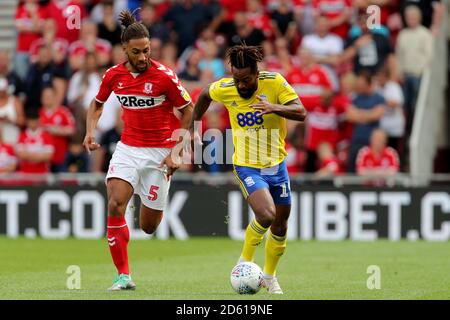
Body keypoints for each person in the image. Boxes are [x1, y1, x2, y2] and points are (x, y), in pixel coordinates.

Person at [83, 10, 193, 291]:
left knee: (148, 226)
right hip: (129, 148)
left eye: (147, 50)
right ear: (124, 50)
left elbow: (188, 109)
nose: (143, 56)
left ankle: (153, 197)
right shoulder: (113, 75)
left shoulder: (164, 76)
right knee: (115, 203)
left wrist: (178, 150)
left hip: (160, 154)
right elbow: (97, 104)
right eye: (137, 52)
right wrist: (90, 131)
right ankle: (123, 276)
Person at [190, 44, 306, 294]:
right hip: (247, 166)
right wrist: (193, 126)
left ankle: (270, 276)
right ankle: (244, 262)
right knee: (266, 215)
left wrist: (274, 107)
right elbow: (203, 96)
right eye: (237, 79)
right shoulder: (226, 87)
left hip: (277, 166)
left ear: (257, 72)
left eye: (247, 79)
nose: (241, 85)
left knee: (281, 226)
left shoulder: (274, 83)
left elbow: (301, 112)